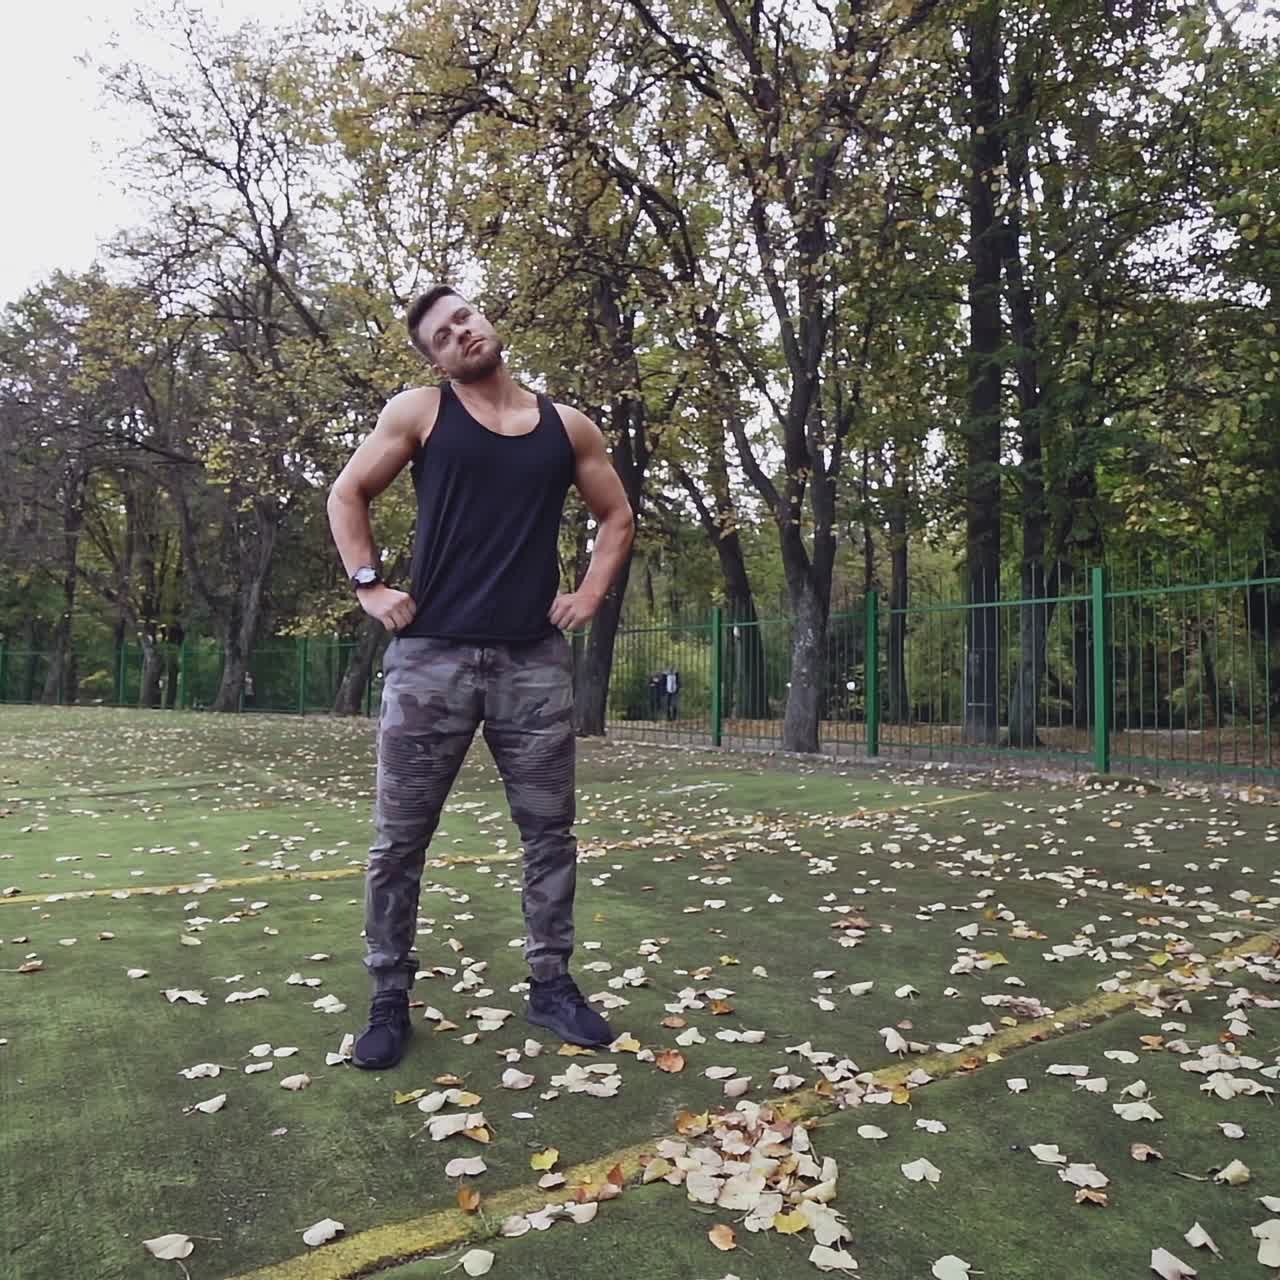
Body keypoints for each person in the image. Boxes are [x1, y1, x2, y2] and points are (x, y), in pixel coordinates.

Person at [327, 285, 635, 1070]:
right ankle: (389, 997)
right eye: (440, 335)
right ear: (433, 357)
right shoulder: (421, 413)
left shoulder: (567, 428)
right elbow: (348, 492)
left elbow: (617, 516)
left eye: (462, 317)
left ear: (486, 321)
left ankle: (551, 985)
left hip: (532, 662)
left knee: (549, 835)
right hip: (430, 657)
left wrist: (592, 593)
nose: (459, 333)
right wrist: (370, 584)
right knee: (398, 843)